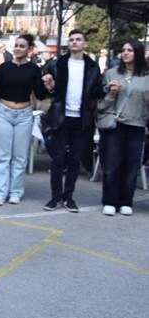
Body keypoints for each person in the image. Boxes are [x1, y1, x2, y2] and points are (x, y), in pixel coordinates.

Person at [41, 30, 105, 212]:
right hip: (61, 116)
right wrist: (50, 87)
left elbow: (95, 92)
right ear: (68, 44)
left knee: (75, 160)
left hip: (82, 118)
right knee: (57, 159)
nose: (74, 42)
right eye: (71, 40)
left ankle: (68, 197)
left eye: (78, 39)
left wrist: (107, 89)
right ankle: (55, 198)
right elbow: (49, 91)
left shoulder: (92, 67)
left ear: (84, 44)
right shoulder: (57, 64)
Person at [0, 34, 53, 206]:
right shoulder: (4, 67)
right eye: (16, 45)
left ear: (29, 49)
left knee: (20, 155)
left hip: (24, 114)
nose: (17, 48)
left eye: (22, 46)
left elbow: (40, 94)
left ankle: (15, 192)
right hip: (4, 111)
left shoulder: (34, 69)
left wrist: (48, 86)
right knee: (2, 155)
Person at [97, 40, 149, 216]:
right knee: (112, 164)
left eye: (130, 50)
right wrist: (112, 92)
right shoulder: (112, 73)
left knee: (132, 165)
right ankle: (110, 201)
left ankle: (126, 201)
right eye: (124, 50)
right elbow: (102, 105)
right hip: (115, 124)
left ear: (138, 53)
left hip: (137, 124)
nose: (125, 53)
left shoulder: (146, 76)